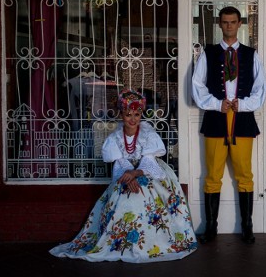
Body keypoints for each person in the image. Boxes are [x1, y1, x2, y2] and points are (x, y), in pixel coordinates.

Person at [49, 89, 198, 263]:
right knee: (124, 193)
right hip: (126, 172)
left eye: (136, 114)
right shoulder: (115, 138)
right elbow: (120, 163)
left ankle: (152, 239)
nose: (132, 119)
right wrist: (128, 177)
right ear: (121, 114)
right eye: (128, 114)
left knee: (145, 190)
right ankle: (123, 240)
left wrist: (135, 173)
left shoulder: (148, 134)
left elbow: (149, 161)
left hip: (148, 171)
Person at [191, 6, 266, 244]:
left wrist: (243, 105)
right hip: (216, 120)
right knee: (212, 175)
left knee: (245, 175)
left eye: (233, 22)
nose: (229, 26)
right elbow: (197, 84)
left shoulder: (251, 54)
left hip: (242, 121)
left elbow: (260, 88)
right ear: (219, 24)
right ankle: (211, 227)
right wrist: (215, 104)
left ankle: (247, 226)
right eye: (224, 22)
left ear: (240, 24)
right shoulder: (209, 53)